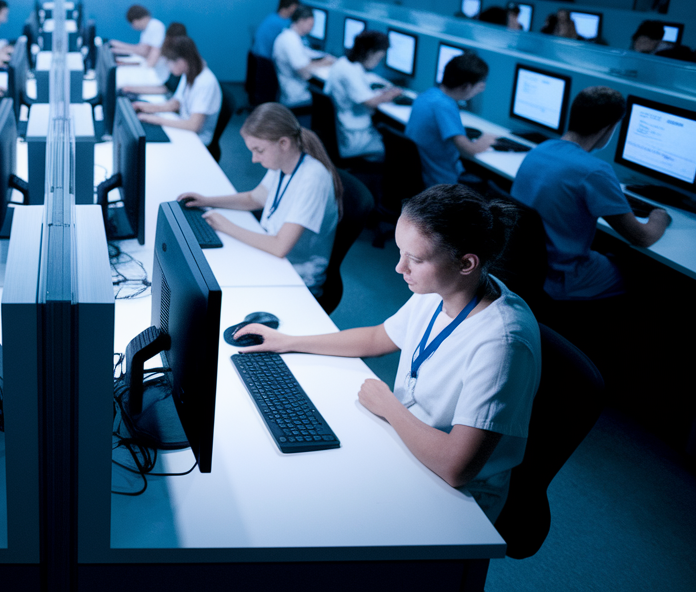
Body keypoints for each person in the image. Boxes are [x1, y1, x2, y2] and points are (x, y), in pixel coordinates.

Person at [233, 184, 539, 523]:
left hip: (458, 495)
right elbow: (379, 337)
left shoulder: (502, 343)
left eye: (415, 259)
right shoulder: (442, 288)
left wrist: (389, 407)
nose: (399, 268)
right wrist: (288, 341)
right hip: (405, 437)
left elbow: (457, 468)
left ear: (466, 262)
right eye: (400, 252)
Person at [511, 86, 670, 301]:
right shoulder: (594, 170)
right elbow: (641, 237)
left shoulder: (541, 149)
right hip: (565, 276)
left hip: (526, 265)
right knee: (642, 274)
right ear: (609, 128)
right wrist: (659, 216)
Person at [176, 103, 340, 295]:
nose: (254, 159)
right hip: (269, 252)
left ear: (284, 144)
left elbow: (280, 247)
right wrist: (207, 200)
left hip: (296, 275)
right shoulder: (284, 163)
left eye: (259, 150)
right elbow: (254, 199)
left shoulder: (313, 178)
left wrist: (224, 225)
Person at [405, 52, 494, 188]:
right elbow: (468, 150)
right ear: (467, 87)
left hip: (418, 175)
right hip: (439, 182)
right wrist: (487, 140)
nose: (482, 89)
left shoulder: (428, 95)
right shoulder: (445, 106)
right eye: (479, 85)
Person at [324, 30, 404, 160]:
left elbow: (361, 93)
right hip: (354, 136)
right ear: (370, 53)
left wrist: (380, 93)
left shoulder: (343, 63)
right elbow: (370, 102)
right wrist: (392, 94)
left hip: (346, 128)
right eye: (379, 58)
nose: (378, 62)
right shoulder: (350, 71)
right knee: (397, 149)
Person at [129, 36, 223, 146]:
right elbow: (176, 103)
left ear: (184, 60)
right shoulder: (189, 72)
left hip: (197, 140)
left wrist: (155, 119)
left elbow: (194, 125)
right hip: (183, 128)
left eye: (170, 62)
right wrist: (148, 107)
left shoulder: (205, 82)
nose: (169, 67)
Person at [272, 5, 336, 110]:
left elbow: (303, 55)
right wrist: (324, 63)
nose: (312, 28)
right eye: (310, 25)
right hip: (296, 94)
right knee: (328, 98)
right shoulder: (291, 40)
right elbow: (303, 71)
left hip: (289, 88)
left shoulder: (289, 36)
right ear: (301, 21)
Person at [109, 4, 169, 83]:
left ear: (135, 21)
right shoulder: (147, 29)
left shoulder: (155, 26)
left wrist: (144, 70)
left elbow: (154, 52)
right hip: (152, 69)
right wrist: (119, 47)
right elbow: (142, 49)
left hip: (158, 73)